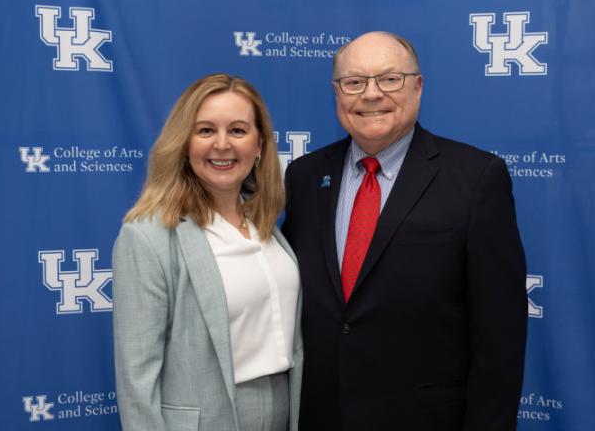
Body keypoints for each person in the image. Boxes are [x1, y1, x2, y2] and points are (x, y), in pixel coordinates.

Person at [282, 31, 527, 431]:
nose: (371, 94)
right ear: (337, 92)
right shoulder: (306, 176)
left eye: (389, 79)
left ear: (418, 86)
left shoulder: (477, 177)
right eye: (354, 82)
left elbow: (500, 338)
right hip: (319, 415)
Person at [113, 73, 302, 431]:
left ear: (260, 144)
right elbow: (137, 379)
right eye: (205, 131)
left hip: (283, 407)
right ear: (184, 143)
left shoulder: (266, 226)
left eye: (238, 130)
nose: (222, 145)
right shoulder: (149, 236)